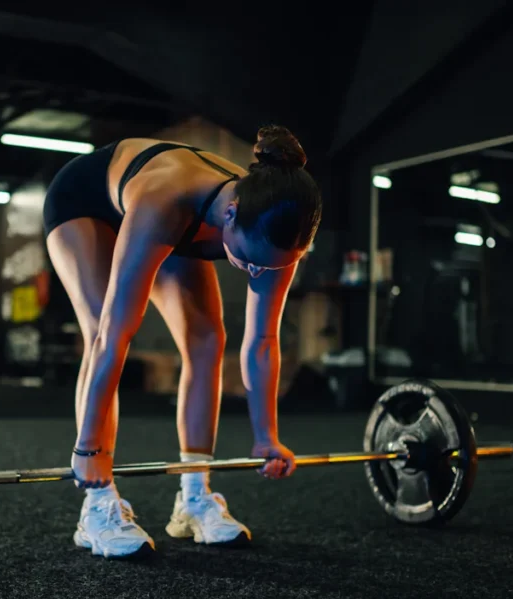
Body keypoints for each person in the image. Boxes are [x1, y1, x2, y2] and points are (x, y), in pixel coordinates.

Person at [42, 125, 323, 558]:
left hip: (175, 217)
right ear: (230, 214)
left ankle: (193, 497)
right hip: (88, 200)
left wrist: (267, 436)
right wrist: (88, 449)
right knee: (102, 324)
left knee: (209, 340)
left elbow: (263, 340)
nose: (256, 273)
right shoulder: (166, 200)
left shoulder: (280, 234)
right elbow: (112, 338)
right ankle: (97, 506)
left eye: (266, 268)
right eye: (247, 261)